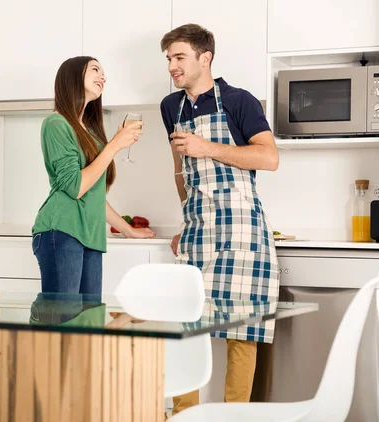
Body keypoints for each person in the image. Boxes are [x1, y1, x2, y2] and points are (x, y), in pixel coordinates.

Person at [159, 24, 280, 414]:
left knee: (242, 332)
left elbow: (268, 157)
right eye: (169, 59)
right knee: (184, 328)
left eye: (179, 57)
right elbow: (180, 169)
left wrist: (205, 147)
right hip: (197, 229)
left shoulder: (239, 100)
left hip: (241, 228)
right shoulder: (170, 107)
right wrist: (184, 222)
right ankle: (183, 415)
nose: (172, 67)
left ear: (204, 57)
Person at [32, 56, 155, 295]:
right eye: (95, 70)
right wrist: (114, 146)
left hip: (90, 236)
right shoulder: (56, 124)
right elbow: (76, 188)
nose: (103, 77)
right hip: (62, 231)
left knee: (89, 321)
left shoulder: (90, 134)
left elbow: (93, 195)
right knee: (64, 323)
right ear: (73, 77)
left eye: (103, 72)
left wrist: (128, 230)